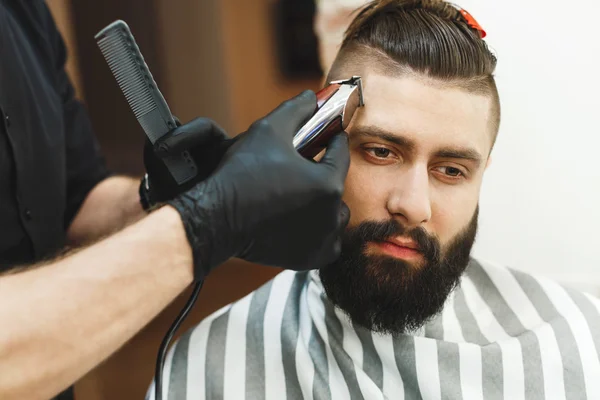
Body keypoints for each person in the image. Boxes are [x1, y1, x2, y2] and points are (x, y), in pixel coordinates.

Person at [149, 1, 600, 399]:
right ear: (315, 145)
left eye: (451, 170)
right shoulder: (206, 370)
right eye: (381, 152)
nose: (413, 205)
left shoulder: (579, 341)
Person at [0, 1, 351, 399]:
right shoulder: (208, 372)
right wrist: (204, 220)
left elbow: (76, 200)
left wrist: (163, 197)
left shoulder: (23, 13)